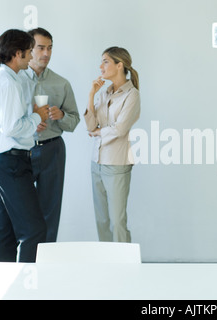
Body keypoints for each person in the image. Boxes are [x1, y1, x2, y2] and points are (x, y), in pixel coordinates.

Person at [0, 29, 49, 262]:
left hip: (4, 160)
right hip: (12, 162)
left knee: (6, 228)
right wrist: (38, 116)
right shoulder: (7, 83)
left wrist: (32, 119)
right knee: (34, 230)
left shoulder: (2, 78)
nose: (32, 57)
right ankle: (28, 286)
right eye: (30, 52)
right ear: (17, 53)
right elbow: (11, 128)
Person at [19, 28, 80, 242]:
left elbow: (74, 121)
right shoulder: (14, 80)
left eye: (50, 48)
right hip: (21, 151)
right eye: (41, 48)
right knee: (17, 212)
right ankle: (17, 265)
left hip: (52, 150)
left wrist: (61, 115)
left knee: (50, 213)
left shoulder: (61, 83)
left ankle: (45, 264)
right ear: (29, 49)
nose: (46, 53)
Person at [85, 47, 140, 242]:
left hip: (117, 163)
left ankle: (125, 265)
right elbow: (91, 126)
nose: (101, 66)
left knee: (117, 221)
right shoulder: (104, 93)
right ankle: (107, 263)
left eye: (105, 61)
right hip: (96, 162)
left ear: (119, 65)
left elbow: (120, 129)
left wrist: (99, 132)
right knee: (102, 220)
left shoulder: (131, 95)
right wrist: (92, 95)